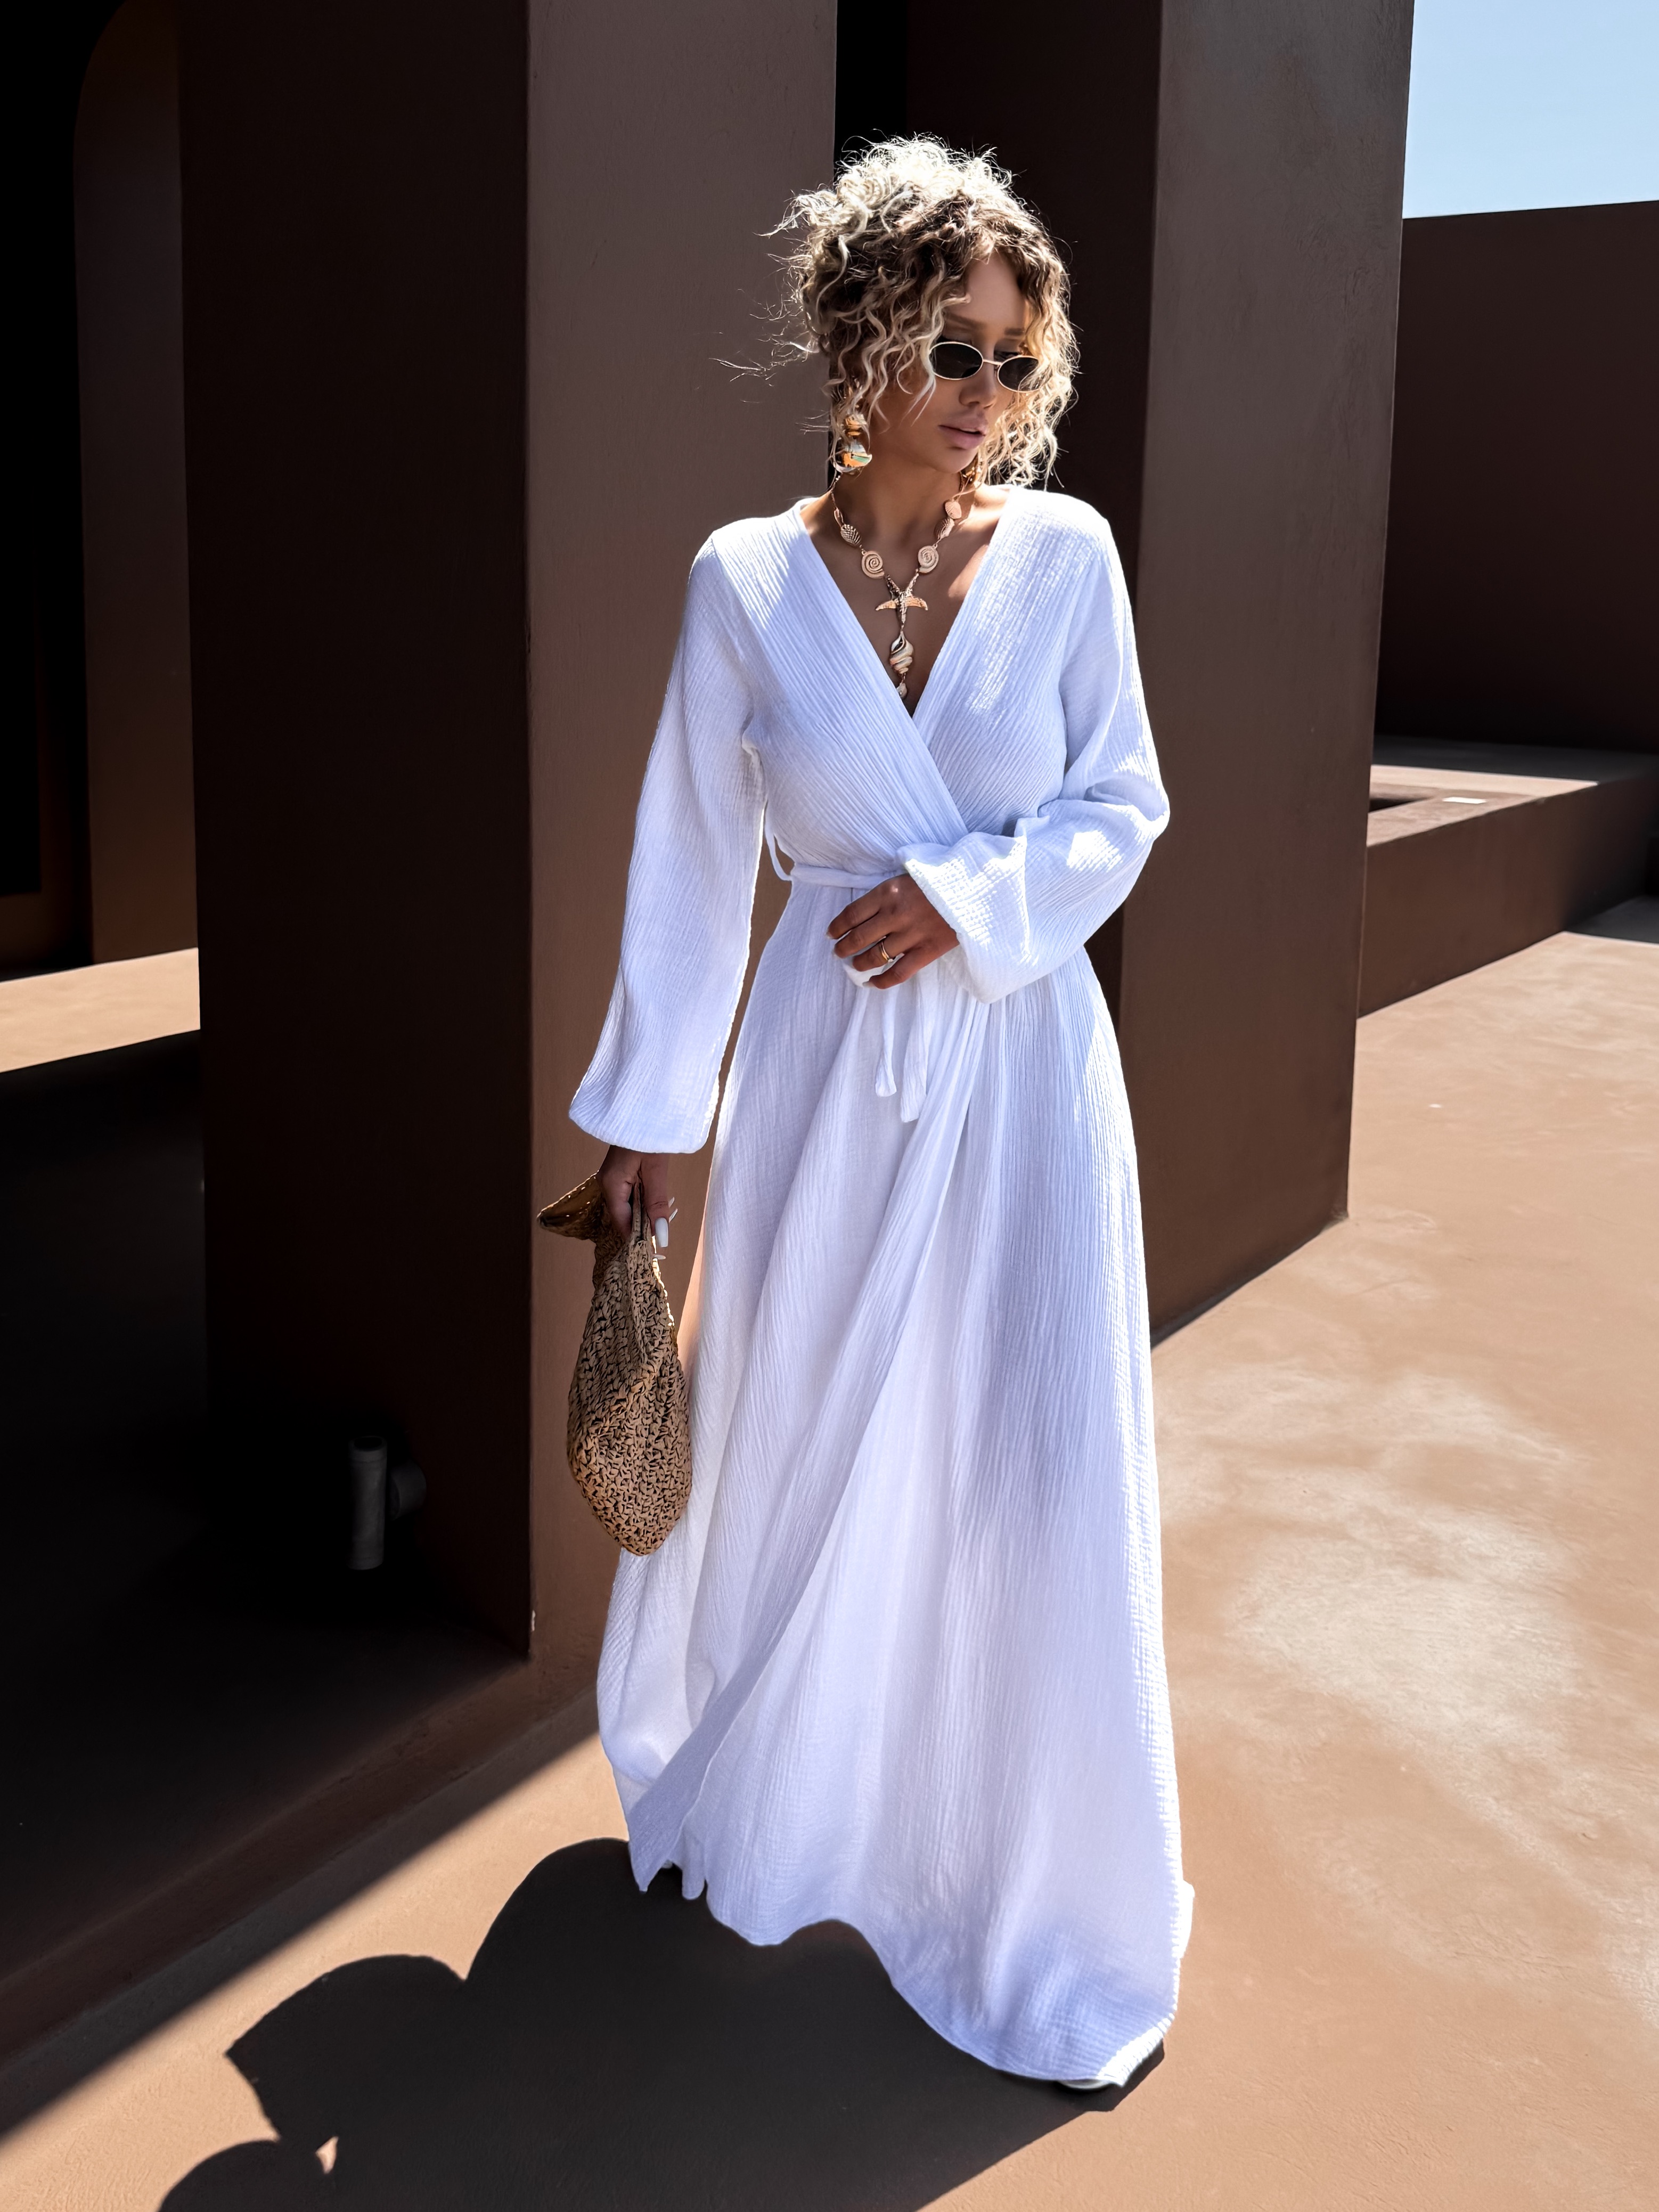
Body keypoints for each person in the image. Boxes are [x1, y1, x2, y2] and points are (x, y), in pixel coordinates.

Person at [569, 137, 1190, 2089]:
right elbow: (691, 862)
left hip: (1017, 1074)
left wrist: (976, 901)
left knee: (1020, 1444)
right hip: (823, 1079)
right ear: (861, 340)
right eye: (953, 349)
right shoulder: (745, 582)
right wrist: (649, 1122)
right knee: (807, 1427)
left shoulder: (1066, 558)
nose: (988, 394)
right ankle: (800, 1806)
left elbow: (1122, 803)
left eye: (1017, 359)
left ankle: (1017, 1859)